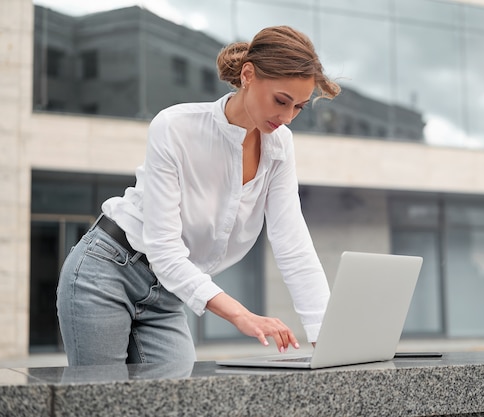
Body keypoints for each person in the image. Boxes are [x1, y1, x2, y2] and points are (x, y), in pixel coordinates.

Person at [56, 25, 341, 365]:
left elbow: (292, 244)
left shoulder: (279, 146)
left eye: (299, 107)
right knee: (102, 401)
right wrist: (240, 314)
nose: (287, 117)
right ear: (248, 75)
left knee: (174, 396)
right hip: (108, 269)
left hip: (168, 293)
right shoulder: (175, 127)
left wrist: (326, 339)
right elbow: (163, 248)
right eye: (281, 101)